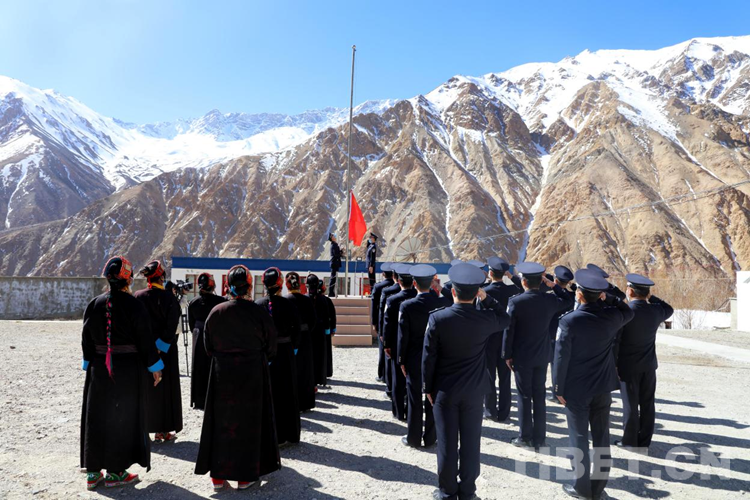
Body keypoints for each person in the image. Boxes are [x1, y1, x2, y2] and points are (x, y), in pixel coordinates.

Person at [423, 263, 510, 500]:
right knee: (471, 443)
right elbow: (505, 318)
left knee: (447, 443)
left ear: (453, 291)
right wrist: (487, 299)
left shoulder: (438, 319)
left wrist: (427, 388)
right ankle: (468, 490)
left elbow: (428, 358)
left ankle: (448, 491)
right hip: (474, 391)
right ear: (476, 294)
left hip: (445, 391)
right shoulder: (484, 319)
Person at [80, 256, 164, 490]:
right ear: (128, 279)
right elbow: (145, 340)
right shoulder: (134, 305)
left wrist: (88, 364)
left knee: (96, 417)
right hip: (127, 370)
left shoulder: (94, 304)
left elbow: (86, 339)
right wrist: (155, 367)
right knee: (121, 418)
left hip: (99, 369)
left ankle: (93, 472)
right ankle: (116, 473)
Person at [195, 265, 281, 491]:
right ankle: (244, 477)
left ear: (228, 287)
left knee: (222, 422)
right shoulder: (259, 313)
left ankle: (218, 476)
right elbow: (271, 346)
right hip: (252, 374)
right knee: (248, 423)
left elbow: (208, 346)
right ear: (249, 287)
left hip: (221, 374)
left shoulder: (216, 312)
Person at [553, 269, 635, 500]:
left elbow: (561, 357)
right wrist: (609, 299)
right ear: (599, 295)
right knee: (601, 438)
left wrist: (557, 388)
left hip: (577, 390)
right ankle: (598, 487)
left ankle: (581, 487)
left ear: (579, 295)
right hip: (602, 387)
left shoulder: (569, 321)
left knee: (578, 437)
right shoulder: (611, 317)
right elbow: (628, 312)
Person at [502, 262, 575, 450]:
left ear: (524, 282)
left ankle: (524, 437)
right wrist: (553, 285)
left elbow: (509, 331)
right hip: (542, 355)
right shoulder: (549, 300)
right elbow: (568, 300)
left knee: (524, 396)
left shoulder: (516, 302)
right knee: (539, 395)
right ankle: (540, 439)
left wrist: (507, 354)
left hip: (522, 356)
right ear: (540, 281)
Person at [614, 273, 673, 452]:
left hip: (628, 366)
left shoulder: (625, 312)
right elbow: (669, 308)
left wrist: (614, 365)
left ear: (630, 291)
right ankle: (644, 441)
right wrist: (650, 297)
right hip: (648, 365)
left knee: (630, 404)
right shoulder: (655, 311)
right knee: (647, 403)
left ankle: (629, 441)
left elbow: (616, 342)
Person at [397, 264, 451, 448]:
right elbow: (453, 299)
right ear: (432, 283)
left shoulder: (407, 306)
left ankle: (413, 437)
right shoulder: (442, 303)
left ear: (414, 284)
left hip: (414, 357)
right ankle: (430, 437)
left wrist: (401, 360)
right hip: (436, 357)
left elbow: (403, 337)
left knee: (414, 398)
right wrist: (439, 287)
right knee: (432, 396)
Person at [134, 260, 183, 443]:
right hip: (166, 351)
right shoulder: (170, 298)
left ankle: (144, 429)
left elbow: (136, 325)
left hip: (144, 351)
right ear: (162, 277)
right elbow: (172, 326)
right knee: (166, 390)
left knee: (145, 389)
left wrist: (148, 349)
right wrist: (160, 349)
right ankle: (163, 431)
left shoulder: (138, 297)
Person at [256, 267, 302, 445]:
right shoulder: (289, 304)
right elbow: (297, 329)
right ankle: (288, 433)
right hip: (285, 351)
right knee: (287, 391)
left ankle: (268, 434)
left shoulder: (258, 305)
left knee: (269, 392)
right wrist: (294, 347)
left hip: (265, 353)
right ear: (280, 284)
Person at [482, 257, 521, 422]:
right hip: (507, 339)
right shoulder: (512, 291)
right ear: (504, 273)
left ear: (490, 273)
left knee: (489, 376)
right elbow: (523, 288)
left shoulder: (485, 292)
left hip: (489, 339)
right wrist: (512, 277)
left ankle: (490, 410)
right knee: (505, 378)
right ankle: (504, 412)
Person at [383, 264, 417, 421]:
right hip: (415, 345)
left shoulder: (392, 300)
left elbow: (387, 324)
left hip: (397, 344)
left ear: (399, 281)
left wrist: (386, 345)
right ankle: (411, 410)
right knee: (413, 380)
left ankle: (398, 411)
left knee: (398, 380)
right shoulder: (418, 298)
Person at [188, 273, 227, 410]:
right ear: (213, 285)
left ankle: (199, 399)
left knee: (198, 367)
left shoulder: (193, 302)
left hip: (198, 336)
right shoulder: (221, 301)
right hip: (216, 336)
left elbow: (191, 325)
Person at [285, 272, 317, 412]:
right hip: (305, 338)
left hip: (290, 339)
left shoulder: (286, 300)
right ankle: (306, 402)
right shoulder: (307, 300)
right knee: (306, 370)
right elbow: (313, 320)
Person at [547, 265, 576, 403]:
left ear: (555, 280)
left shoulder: (551, 298)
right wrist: (571, 286)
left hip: (553, 333)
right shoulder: (572, 296)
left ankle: (556, 393)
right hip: (569, 333)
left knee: (555, 364)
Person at [379, 267, 402, 397]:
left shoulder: (388, 294)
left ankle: (390, 390)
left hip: (392, 336)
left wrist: (383, 336)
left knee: (391, 364)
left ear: (394, 277)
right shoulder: (415, 295)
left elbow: (384, 316)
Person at [371, 263, 395, 383]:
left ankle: (382, 374)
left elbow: (374, 307)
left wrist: (374, 322)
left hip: (382, 322)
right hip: (395, 322)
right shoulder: (397, 286)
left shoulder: (378, 287)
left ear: (383, 274)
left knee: (382, 349)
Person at [307, 273, 331, 387]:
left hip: (308, 331)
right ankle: (319, 379)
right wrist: (327, 330)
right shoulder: (323, 299)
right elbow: (327, 316)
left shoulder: (305, 298)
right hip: (320, 330)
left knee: (309, 356)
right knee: (320, 355)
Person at [319, 280, 337, 379]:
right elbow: (332, 316)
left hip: (314, 330)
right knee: (326, 352)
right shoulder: (327, 300)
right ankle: (326, 372)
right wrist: (333, 329)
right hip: (326, 330)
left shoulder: (310, 299)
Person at [328, 233, 342, 297]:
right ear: (332, 238)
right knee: (333, 278)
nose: (335, 237)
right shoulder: (333, 245)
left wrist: (340, 252)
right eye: (334, 236)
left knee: (334, 278)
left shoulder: (334, 244)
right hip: (334, 263)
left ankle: (332, 292)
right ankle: (331, 292)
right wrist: (340, 253)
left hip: (335, 263)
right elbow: (335, 254)